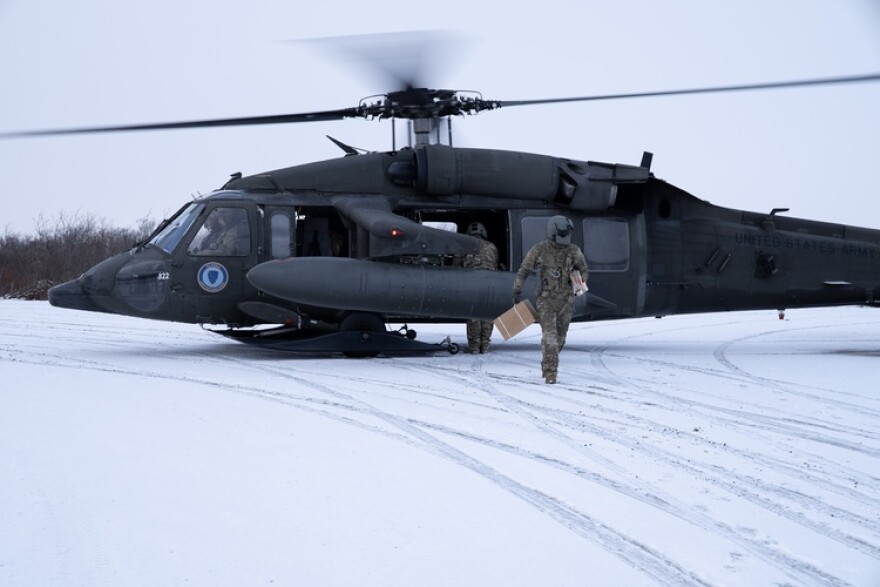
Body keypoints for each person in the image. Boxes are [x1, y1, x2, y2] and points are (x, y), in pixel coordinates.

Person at [512, 215, 588, 384]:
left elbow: (584, 270)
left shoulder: (573, 251)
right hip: (546, 300)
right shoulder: (539, 250)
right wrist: (517, 289)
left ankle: (548, 359)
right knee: (550, 337)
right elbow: (524, 270)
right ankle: (550, 372)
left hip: (567, 300)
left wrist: (578, 280)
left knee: (560, 338)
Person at [463, 222, 499, 354]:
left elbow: (457, 267)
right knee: (488, 314)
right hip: (490, 282)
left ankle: (474, 346)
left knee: (474, 314)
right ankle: (484, 345)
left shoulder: (465, 245)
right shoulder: (492, 247)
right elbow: (494, 263)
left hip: (472, 282)